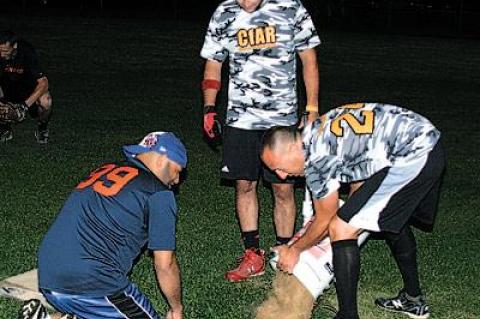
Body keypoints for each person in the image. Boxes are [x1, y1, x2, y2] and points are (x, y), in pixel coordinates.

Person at [261, 102, 446, 319]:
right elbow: (359, 171)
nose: (282, 176)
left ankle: (348, 316)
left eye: (279, 167)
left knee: (342, 228)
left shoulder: (317, 159)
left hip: (414, 155)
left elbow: (326, 220)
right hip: (426, 142)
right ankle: (413, 299)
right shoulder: (317, 128)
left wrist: (295, 250)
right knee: (388, 216)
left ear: (293, 148)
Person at [200, 0, 321, 282]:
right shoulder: (225, 12)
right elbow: (213, 63)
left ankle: (285, 250)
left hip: (281, 118)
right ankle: (253, 253)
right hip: (240, 119)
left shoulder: (291, 7)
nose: (244, 3)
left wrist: (312, 108)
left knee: (282, 188)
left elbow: (309, 59)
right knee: (244, 184)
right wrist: (209, 108)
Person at [19, 132, 187, 319]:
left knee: (88, 305)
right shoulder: (159, 193)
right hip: (91, 284)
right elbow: (165, 264)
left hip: (49, 277)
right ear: (163, 159)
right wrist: (176, 308)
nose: (177, 180)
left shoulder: (106, 169)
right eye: (178, 171)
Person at [0, 30, 52, 144]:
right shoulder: (1, 55)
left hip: (29, 88)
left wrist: (24, 107)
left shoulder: (27, 52)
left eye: (4, 51)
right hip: (8, 87)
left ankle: (42, 128)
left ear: (14, 46)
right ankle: (4, 129)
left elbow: (44, 82)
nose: (1, 55)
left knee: (46, 101)